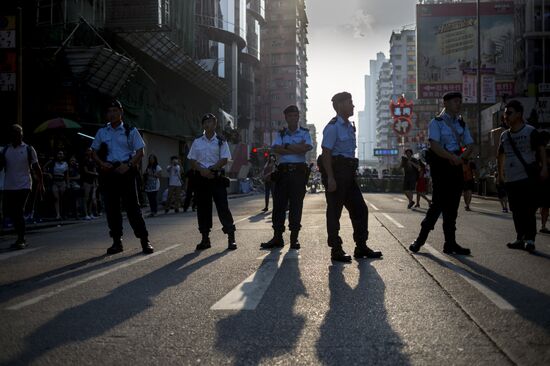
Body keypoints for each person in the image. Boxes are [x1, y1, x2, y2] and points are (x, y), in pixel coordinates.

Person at [409, 92, 475, 255]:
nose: (458, 104)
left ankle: (450, 244)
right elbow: (434, 146)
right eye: (455, 101)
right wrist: (451, 157)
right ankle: (420, 240)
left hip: (456, 165)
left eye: (460, 101)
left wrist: (460, 158)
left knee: (452, 206)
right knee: (437, 203)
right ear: (445, 103)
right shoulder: (436, 122)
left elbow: (470, 145)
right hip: (441, 166)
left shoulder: (461, 124)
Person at [319, 92, 382, 262]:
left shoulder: (349, 126)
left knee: (360, 209)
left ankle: (361, 246)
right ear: (340, 105)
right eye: (349, 102)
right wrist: (330, 178)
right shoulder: (333, 127)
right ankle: (336, 249)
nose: (353, 105)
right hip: (337, 173)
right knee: (334, 212)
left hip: (349, 174)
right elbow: (326, 154)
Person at [91, 99, 154, 255]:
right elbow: (92, 151)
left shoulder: (130, 131)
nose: (112, 114)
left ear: (121, 112)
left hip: (126, 171)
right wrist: (101, 163)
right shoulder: (102, 132)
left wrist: (129, 165)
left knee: (133, 209)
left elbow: (140, 152)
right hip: (109, 173)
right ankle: (116, 242)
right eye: (109, 111)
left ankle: (145, 241)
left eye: (115, 111)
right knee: (112, 210)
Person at [497, 100, 548, 252]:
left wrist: (544, 167)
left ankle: (530, 239)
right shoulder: (504, 135)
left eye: (509, 113)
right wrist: (500, 175)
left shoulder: (530, 131)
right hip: (511, 179)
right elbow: (500, 156)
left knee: (528, 210)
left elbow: (541, 149)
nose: (505, 116)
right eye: (505, 113)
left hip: (527, 177)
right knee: (516, 210)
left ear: (519, 114)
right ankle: (520, 238)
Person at [261, 105, 312, 250]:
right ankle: (277, 237)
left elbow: (306, 148)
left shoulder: (305, 132)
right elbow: (275, 149)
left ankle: (294, 238)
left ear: (298, 117)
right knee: (279, 206)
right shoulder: (281, 134)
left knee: (296, 206)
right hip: (282, 173)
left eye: (295, 115)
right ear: (286, 118)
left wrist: (286, 147)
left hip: (298, 174)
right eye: (290, 116)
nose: (293, 118)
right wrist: (296, 147)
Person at [187, 113, 237, 250]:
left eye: (211, 122)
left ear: (215, 125)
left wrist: (211, 170)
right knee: (203, 209)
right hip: (201, 178)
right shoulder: (197, 141)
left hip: (216, 178)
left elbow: (225, 158)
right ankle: (205, 239)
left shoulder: (221, 141)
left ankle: (231, 237)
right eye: (206, 122)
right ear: (203, 125)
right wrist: (202, 171)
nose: (209, 124)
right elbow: (191, 159)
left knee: (223, 207)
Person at [0, 124, 44, 249]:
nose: (16, 135)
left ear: (22, 134)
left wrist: (41, 183)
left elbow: (37, 168)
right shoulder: (5, 150)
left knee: (18, 210)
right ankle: (19, 236)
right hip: (9, 186)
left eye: (18, 132)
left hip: (24, 185)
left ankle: (21, 238)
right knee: (12, 212)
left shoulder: (28, 149)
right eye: (14, 133)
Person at [44, 151, 68, 220]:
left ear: (63, 155)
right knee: (56, 198)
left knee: (62, 198)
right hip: (55, 181)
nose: (60, 155)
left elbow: (67, 174)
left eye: (61, 154)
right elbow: (44, 167)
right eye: (59, 154)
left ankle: (63, 213)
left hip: (62, 181)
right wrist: (48, 174)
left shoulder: (65, 163)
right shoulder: (52, 162)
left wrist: (67, 183)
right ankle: (58, 214)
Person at [81, 148, 99, 220]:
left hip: (92, 181)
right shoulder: (85, 160)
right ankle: (86, 214)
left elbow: (95, 171)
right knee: (86, 198)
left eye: (91, 150)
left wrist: (96, 182)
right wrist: (94, 173)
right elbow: (86, 171)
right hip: (86, 181)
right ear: (86, 152)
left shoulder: (93, 161)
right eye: (88, 150)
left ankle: (90, 213)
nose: (90, 151)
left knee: (91, 198)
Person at [539, 131, 550, 233]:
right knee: (545, 206)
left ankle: (543, 225)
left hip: (539, 181)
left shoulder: (535, 151)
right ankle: (543, 225)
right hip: (545, 181)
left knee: (544, 205)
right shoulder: (546, 150)